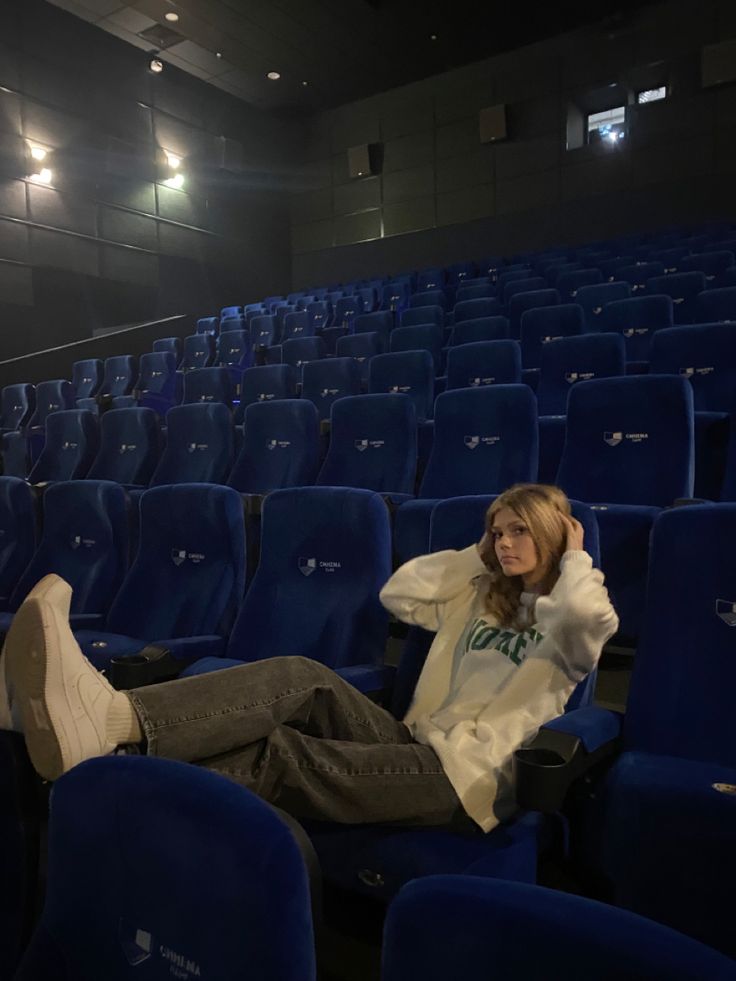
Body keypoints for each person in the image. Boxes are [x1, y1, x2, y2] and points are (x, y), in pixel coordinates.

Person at [1, 483, 618, 834]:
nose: (506, 543)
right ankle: (110, 722)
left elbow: (581, 618)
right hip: (414, 743)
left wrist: (572, 559)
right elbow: (399, 593)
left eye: (520, 532)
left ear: (553, 536)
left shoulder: (574, 621)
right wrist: (478, 557)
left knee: (283, 755)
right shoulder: (480, 593)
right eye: (498, 531)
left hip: (472, 780)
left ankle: (109, 787)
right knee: (300, 676)